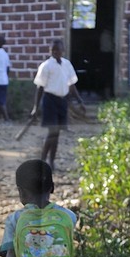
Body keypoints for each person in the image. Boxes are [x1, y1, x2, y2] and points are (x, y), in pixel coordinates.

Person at [30, 40, 87, 168]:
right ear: (50, 51)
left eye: (58, 50)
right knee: (52, 132)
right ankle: (43, 160)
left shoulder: (67, 65)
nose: (56, 52)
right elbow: (40, 87)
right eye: (53, 50)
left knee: (57, 134)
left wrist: (79, 101)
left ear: (63, 50)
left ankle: (51, 161)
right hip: (50, 101)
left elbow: (71, 85)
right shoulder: (46, 66)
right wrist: (35, 107)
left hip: (62, 101)